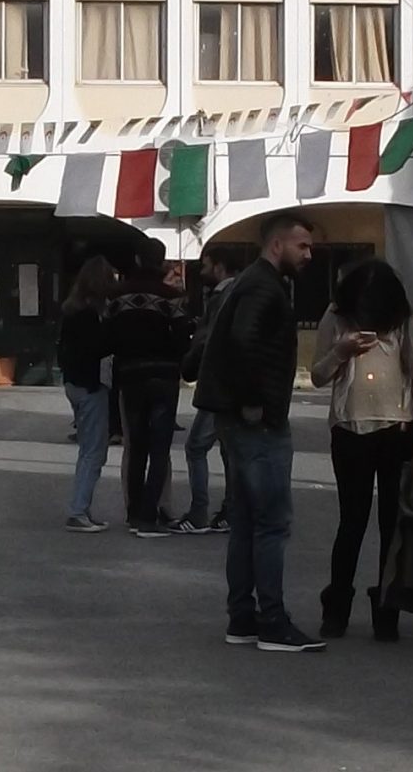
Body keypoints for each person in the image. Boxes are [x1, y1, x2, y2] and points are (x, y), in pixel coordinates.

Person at [192, 210, 324, 653]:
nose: (309, 254)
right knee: (270, 522)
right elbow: (242, 344)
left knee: (248, 521)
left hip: (243, 416)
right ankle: (270, 620)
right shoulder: (263, 287)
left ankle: (244, 617)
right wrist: (254, 402)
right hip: (257, 422)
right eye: (302, 246)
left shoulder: (255, 284)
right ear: (276, 245)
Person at [309, 259, 413, 640]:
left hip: (398, 427)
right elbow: (317, 375)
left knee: (393, 524)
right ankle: (337, 606)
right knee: (353, 522)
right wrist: (341, 351)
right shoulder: (336, 316)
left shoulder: (402, 319)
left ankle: (387, 608)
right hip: (350, 428)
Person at [103, 244, 195, 538]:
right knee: (160, 447)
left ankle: (133, 512)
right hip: (164, 377)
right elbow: (184, 339)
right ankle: (150, 515)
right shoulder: (172, 298)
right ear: (161, 262)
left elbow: (107, 337)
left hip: (130, 376)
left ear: (137, 258)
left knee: (136, 445)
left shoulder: (117, 297)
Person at [174, 248, 241, 536]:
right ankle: (231, 510)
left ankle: (200, 512)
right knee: (229, 449)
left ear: (220, 266)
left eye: (206, 265)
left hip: (218, 384)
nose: (202, 271)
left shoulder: (222, 298)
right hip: (233, 383)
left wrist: (190, 362)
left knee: (196, 447)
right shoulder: (241, 294)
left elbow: (209, 339)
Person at [57, 256, 120, 534]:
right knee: (94, 451)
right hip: (90, 384)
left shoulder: (72, 311)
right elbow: (97, 348)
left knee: (88, 449)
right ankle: (79, 510)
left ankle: (82, 508)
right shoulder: (91, 316)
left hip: (74, 383)